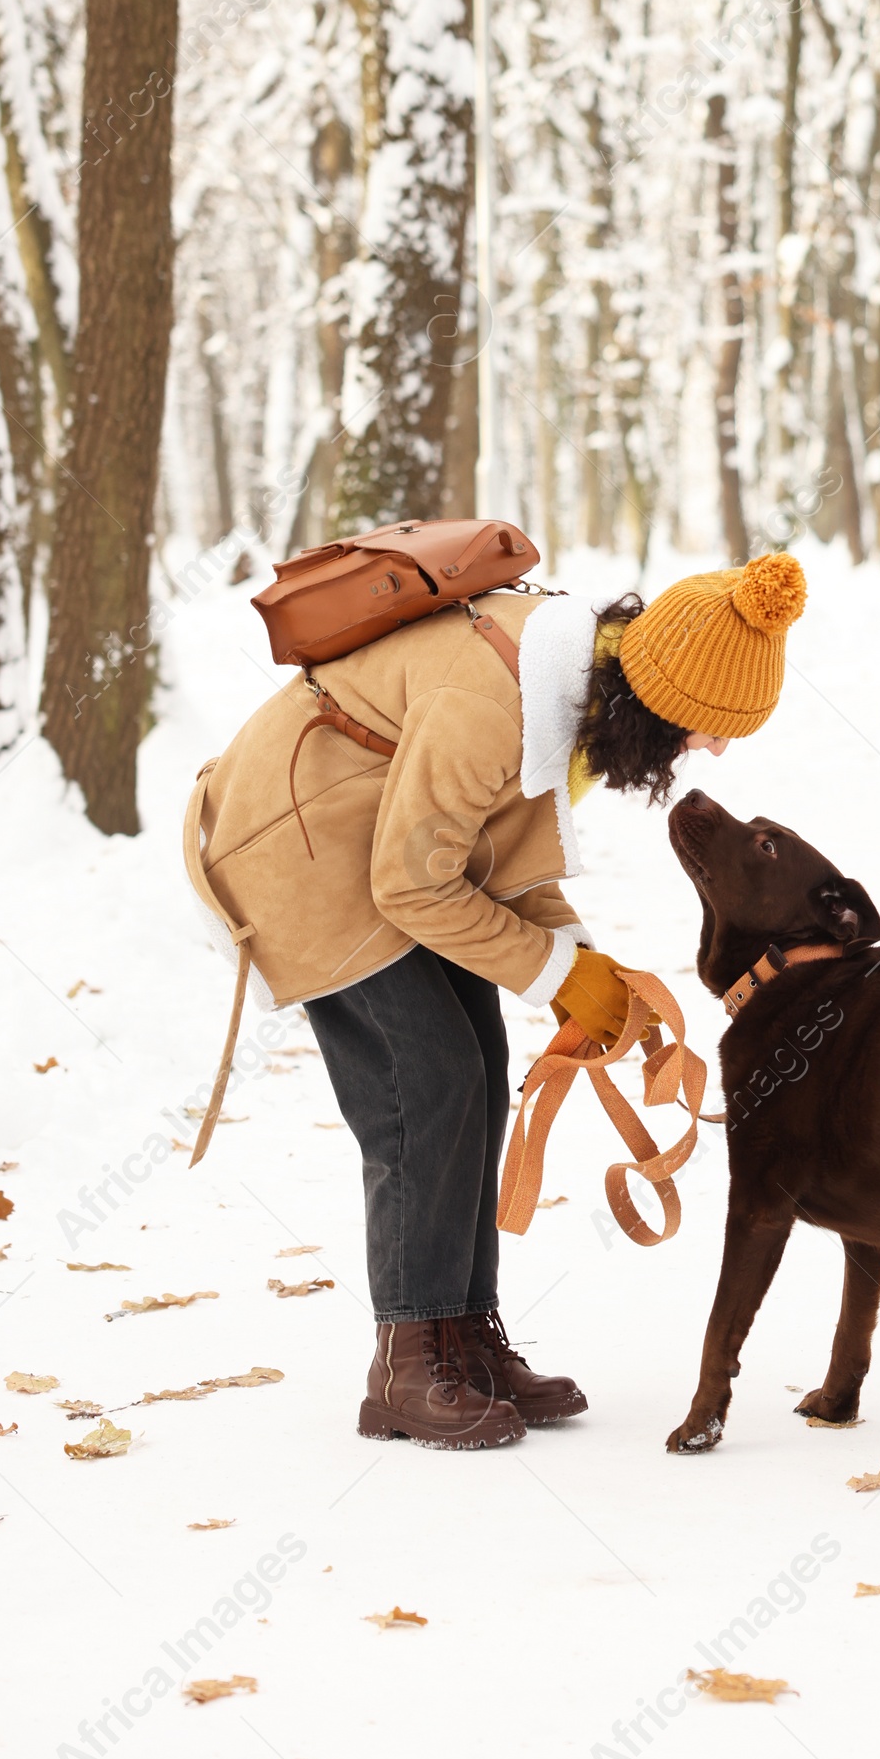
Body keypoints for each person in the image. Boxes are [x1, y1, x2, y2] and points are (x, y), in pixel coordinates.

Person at [186, 550, 808, 1448]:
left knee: (477, 1064)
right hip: (300, 845)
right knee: (426, 1081)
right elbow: (412, 884)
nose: (714, 750)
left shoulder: (575, 682)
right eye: (708, 727)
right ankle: (406, 1362)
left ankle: (463, 1333)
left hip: (383, 844)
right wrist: (561, 974)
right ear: (656, 698)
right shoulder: (496, 698)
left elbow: (500, 847)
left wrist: (588, 970)